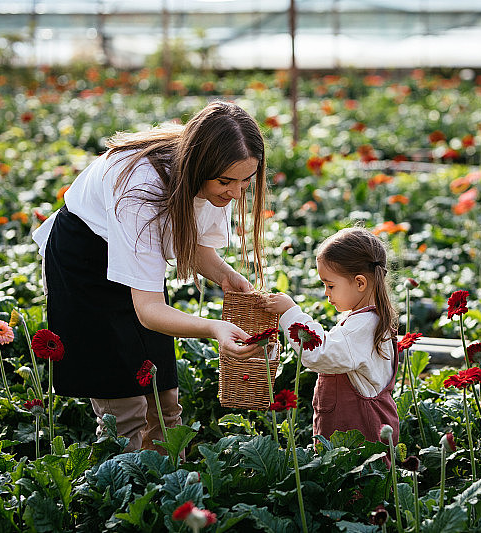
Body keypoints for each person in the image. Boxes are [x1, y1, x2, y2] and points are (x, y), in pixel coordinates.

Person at [32, 100, 265, 452]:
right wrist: (214, 328)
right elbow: (149, 310)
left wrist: (226, 277)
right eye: (226, 182)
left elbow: (196, 246)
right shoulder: (139, 189)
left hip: (139, 265)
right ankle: (121, 482)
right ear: (198, 165)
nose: (236, 192)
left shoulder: (217, 175)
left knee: (164, 401)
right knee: (124, 410)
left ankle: (170, 484)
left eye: (247, 180)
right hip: (84, 268)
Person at [262, 227, 400, 443]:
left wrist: (290, 312)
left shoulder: (361, 327)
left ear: (360, 283)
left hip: (359, 444)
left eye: (330, 285)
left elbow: (318, 353)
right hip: (357, 438)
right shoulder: (367, 321)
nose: (326, 292)